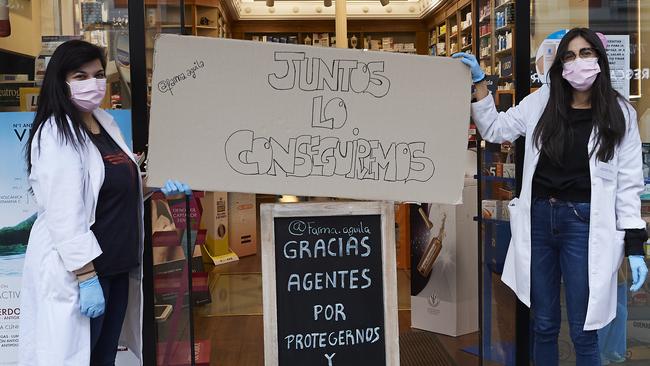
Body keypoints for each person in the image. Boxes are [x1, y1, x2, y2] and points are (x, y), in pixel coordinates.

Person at [454, 27, 649, 366]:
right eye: (570, 56)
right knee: (543, 324)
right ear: (559, 64)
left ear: (600, 59)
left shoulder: (620, 112)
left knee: (583, 329)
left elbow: (630, 183)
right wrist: (480, 85)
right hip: (540, 221)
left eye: (586, 53)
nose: (578, 62)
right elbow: (495, 129)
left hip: (585, 225)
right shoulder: (542, 102)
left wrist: (634, 245)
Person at [19, 40, 190, 365]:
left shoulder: (104, 124)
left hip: (117, 269)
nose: (92, 83)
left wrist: (158, 186)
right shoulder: (55, 133)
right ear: (60, 80)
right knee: (78, 357)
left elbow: (118, 188)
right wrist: (86, 278)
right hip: (85, 274)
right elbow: (64, 214)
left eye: (97, 75)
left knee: (103, 358)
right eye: (80, 76)